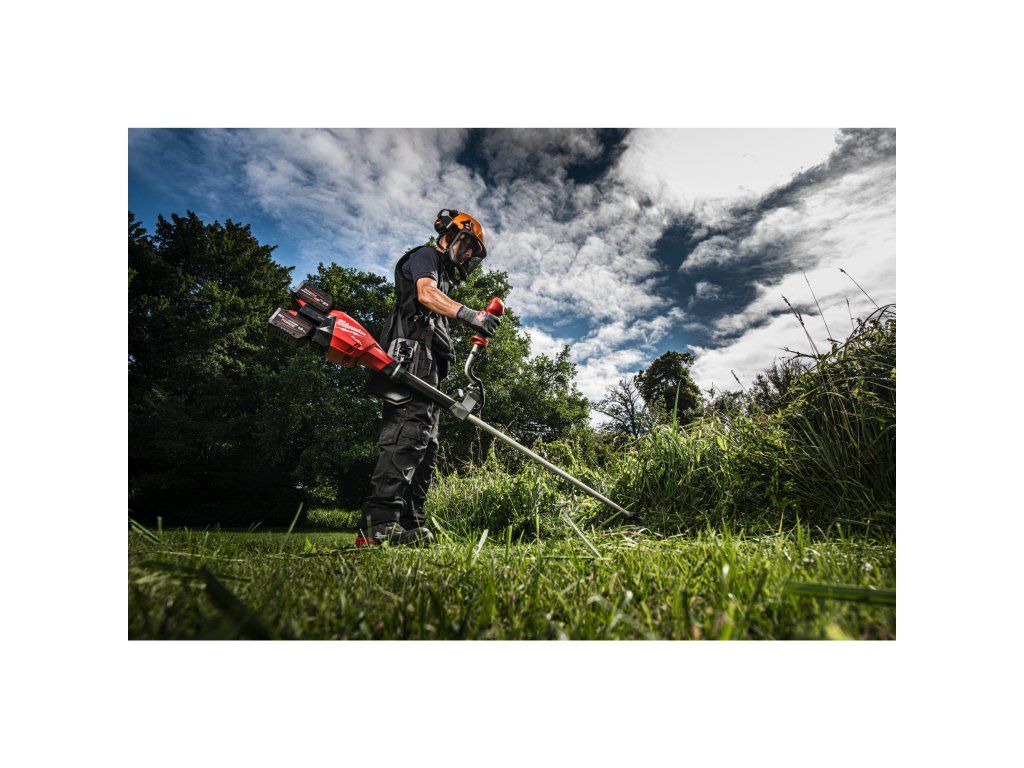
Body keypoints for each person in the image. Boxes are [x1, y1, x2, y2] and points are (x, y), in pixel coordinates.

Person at [360, 209, 502, 546]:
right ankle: (379, 524)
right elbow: (425, 293)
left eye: (473, 251)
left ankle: (411, 524)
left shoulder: (446, 279)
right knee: (408, 432)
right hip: (410, 354)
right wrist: (470, 314)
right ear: (449, 235)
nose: (468, 254)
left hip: (430, 366)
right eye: (467, 245)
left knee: (426, 445)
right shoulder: (426, 257)